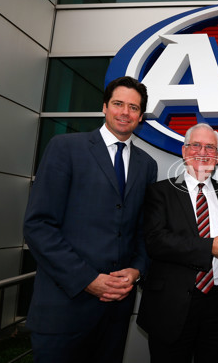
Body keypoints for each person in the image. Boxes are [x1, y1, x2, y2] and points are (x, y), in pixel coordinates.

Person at [23, 76, 158, 363]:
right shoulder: (65, 148)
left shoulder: (147, 165)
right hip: (64, 309)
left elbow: (142, 228)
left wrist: (136, 269)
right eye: (118, 104)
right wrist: (87, 279)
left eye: (133, 107)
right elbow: (38, 226)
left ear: (141, 116)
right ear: (105, 107)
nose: (125, 112)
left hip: (115, 312)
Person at [137, 123, 218, 363]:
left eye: (210, 147)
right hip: (172, 303)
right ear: (184, 151)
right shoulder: (160, 192)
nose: (203, 152)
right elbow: (156, 241)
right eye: (196, 145)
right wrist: (211, 246)